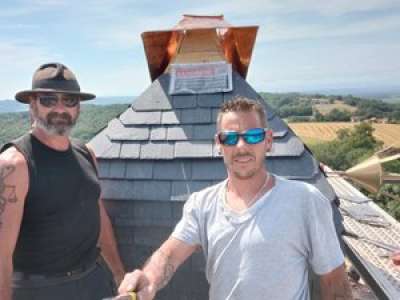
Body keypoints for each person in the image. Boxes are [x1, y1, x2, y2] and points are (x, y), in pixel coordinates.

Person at [118, 96, 353, 300]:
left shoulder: (305, 201)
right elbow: (168, 255)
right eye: (230, 138)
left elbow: (335, 283)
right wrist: (148, 278)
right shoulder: (202, 204)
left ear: (268, 141)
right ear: (219, 144)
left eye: (252, 136)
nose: (241, 146)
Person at [0, 62, 125, 300]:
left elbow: (98, 216)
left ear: (78, 108)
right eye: (48, 100)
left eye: (69, 100)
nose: (60, 108)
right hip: (39, 292)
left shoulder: (87, 153)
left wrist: (119, 273)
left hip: (93, 283)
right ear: (32, 105)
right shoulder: (14, 165)